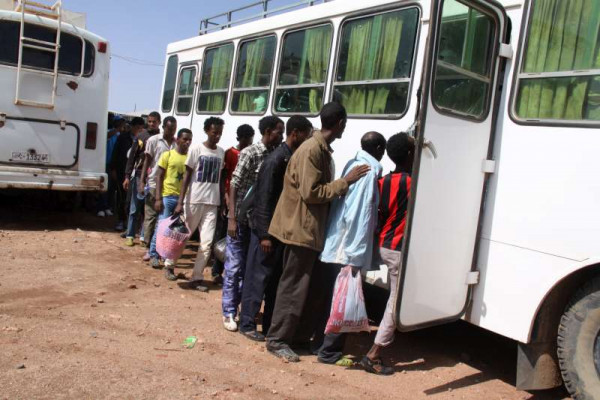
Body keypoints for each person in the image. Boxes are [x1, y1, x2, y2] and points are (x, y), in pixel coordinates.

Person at [264, 102, 370, 362]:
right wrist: (345, 182)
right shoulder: (312, 149)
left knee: (305, 288)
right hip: (301, 229)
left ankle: (296, 337)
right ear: (340, 123)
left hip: (309, 230)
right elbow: (311, 193)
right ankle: (277, 340)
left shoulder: (319, 148)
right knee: (293, 287)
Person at [315, 131, 387, 367]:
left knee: (333, 298)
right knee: (343, 301)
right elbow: (359, 215)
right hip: (348, 249)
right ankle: (329, 352)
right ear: (380, 149)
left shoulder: (354, 163)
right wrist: (354, 256)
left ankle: (321, 345)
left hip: (339, 244)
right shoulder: (367, 172)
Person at [239, 115, 312, 341]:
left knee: (273, 281)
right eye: (306, 135)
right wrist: (264, 235)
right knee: (257, 278)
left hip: (279, 229)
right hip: (266, 231)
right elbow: (264, 199)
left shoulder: (290, 157)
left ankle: (269, 324)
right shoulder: (276, 160)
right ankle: (247, 323)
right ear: (296, 133)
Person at [360, 132, 414, 376]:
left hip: (383, 243)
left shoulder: (383, 181)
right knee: (395, 300)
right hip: (398, 248)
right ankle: (374, 353)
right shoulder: (413, 183)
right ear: (410, 154)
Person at [223, 116, 284, 332]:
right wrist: (232, 218)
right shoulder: (251, 152)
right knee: (234, 268)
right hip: (240, 220)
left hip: (256, 223)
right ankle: (229, 311)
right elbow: (235, 184)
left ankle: (244, 309)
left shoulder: (275, 154)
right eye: (279, 132)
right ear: (268, 131)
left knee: (248, 270)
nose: (282, 136)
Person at [174, 117, 226, 293]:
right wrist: (180, 202)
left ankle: (196, 277)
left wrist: (222, 202)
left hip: (212, 203)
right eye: (214, 132)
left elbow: (220, 179)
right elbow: (187, 177)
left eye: (219, 133)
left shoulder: (221, 152)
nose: (217, 136)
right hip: (194, 201)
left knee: (207, 243)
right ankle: (170, 264)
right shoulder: (196, 149)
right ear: (207, 131)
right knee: (184, 237)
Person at [212, 124, 255, 284]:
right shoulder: (230, 153)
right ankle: (217, 270)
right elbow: (225, 177)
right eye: (248, 139)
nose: (250, 142)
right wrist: (225, 197)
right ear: (241, 139)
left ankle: (231, 270)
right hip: (229, 198)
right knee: (222, 234)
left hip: (241, 201)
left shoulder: (249, 154)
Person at [151, 128, 193, 280]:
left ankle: (167, 255)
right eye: (185, 139)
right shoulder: (167, 155)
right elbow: (159, 176)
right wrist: (158, 198)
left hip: (183, 199)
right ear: (178, 139)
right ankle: (154, 254)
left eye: (190, 140)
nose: (187, 142)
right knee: (162, 226)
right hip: (167, 196)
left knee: (175, 232)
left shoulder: (190, 158)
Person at [141, 116, 177, 268]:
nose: (172, 132)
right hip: (154, 182)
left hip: (168, 185)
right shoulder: (154, 140)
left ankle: (159, 249)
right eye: (169, 129)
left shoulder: (176, 143)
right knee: (151, 217)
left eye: (174, 129)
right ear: (164, 128)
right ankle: (148, 248)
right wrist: (142, 181)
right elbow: (147, 161)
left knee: (164, 220)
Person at [124, 111, 161, 247]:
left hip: (154, 177)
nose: (151, 124)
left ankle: (144, 237)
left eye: (154, 121)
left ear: (159, 122)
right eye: (149, 121)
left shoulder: (162, 138)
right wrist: (127, 176)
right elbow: (132, 157)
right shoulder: (141, 136)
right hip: (139, 175)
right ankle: (130, 235)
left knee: (149, 209)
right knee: (134, 207)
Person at [110, 117, 145, 231]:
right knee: (122, 197)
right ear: (132, 127)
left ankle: (133, 224)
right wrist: (113, 169)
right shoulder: (123, 137)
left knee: (134, 199)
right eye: (137, 128)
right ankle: (121, 220)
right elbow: (115, 153)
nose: (139, 130)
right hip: (122, 171)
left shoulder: (144, 139)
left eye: (141, 128)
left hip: (138, 173)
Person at [97, 116, 125, 217]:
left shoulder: (121, 136)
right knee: (104, 186)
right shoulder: (109, 132)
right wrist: (117, 130)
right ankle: (101, 207)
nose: (121, 124)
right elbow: (106, 136)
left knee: (112, 187)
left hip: (116, 165)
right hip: (106, 163)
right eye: (119, 122)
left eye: (122, 122)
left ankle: (108, 207)